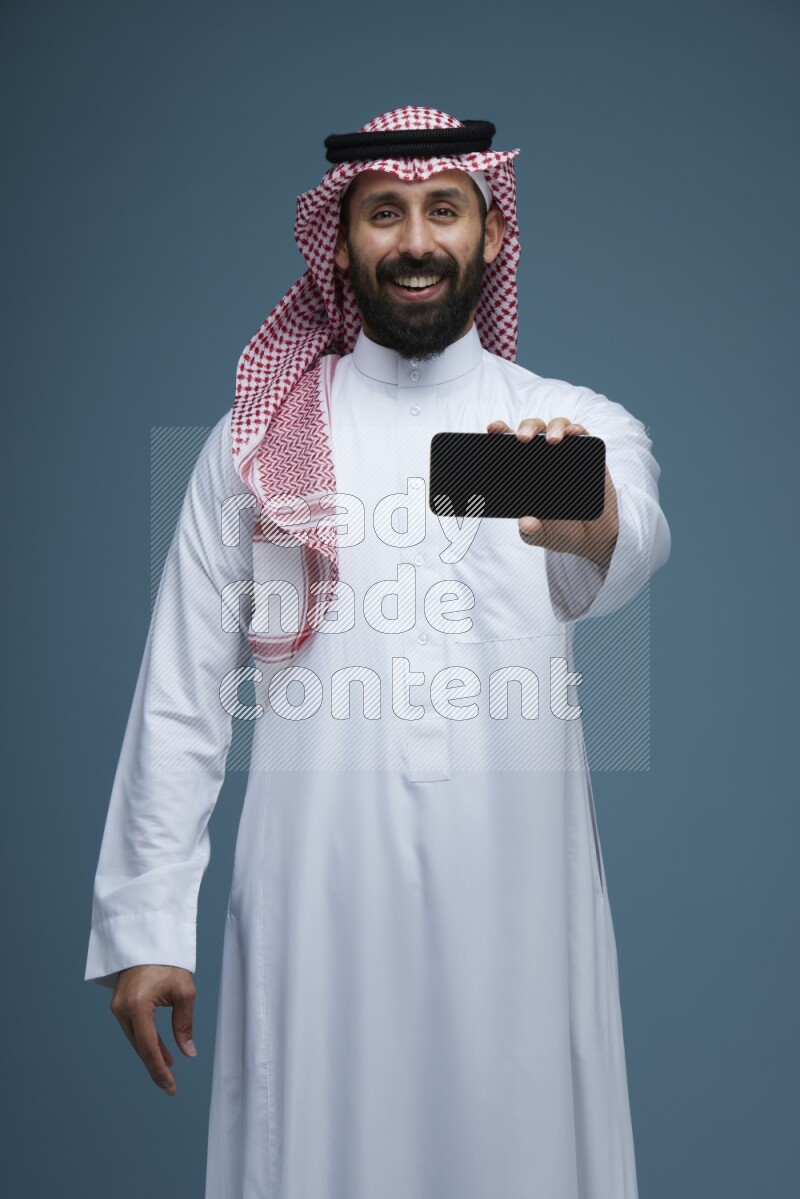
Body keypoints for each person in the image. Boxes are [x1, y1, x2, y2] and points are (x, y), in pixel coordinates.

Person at [85, 107, 670, 1199]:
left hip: (515, 897)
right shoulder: (259, 447)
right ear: (340, 240)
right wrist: (147, 920)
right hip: (318, 891)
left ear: (488, 237)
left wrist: (577, 509)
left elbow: (629, 531)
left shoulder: (563, 420)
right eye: (383, 214)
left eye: (442, 211)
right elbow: (184, 689)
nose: (413, 241)